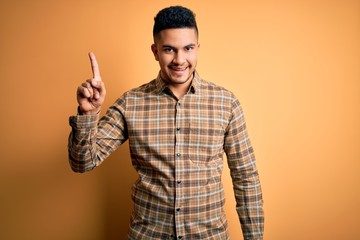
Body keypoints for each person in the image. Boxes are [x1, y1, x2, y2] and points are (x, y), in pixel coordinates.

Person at [68, 6, 264, 240]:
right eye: (169, 49)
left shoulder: (226, 103)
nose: (179, 60)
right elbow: (83, 162)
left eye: (188, 48)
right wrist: (88, 114)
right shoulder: (131, 103)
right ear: (155, 51)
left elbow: (246, 177)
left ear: (198, 48)